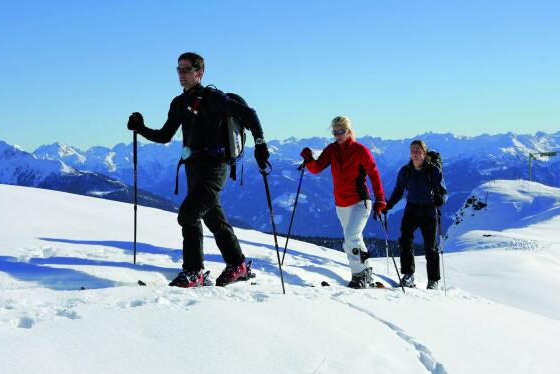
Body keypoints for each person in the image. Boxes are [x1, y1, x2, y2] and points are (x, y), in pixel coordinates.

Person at [127, 52, 270, 288]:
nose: (181, 74)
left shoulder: (213, 98)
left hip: (216, 167)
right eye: (178, 70)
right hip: (193, 168)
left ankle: (194, 272)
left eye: (186, 70)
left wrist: (261, 145)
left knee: (189, 214)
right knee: (214, 218)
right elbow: (165, 136)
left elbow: (249, 114)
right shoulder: (178, 103)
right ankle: (238, 264)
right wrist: (140, 128)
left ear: (199, 72)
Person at [300, 116, 386, 288]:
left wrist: (380, 199)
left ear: (349, 131)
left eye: (341, 131)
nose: (338, 135)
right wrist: (309, 159)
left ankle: (358, 275)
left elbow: (374, 174)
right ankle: (366, 271)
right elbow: (317, 168)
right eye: (335, 132)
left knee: (351, 237)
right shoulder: (332, 150)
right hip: (341, 204)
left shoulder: (360, 150)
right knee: (355, 239)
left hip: (360, 202)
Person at [385, 139, 447, 290]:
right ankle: (408, 275)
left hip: (428, 211)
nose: (415, 153)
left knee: (430, 247)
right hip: (411, 209)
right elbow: (399, 190)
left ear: (424, 153)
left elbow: (443, 192)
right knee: (405, 240)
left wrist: (440, 200)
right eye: (412, 150)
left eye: (418, 150)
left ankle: (433, 280)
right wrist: (388, 205)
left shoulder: (433, 171)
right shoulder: (405, 171)